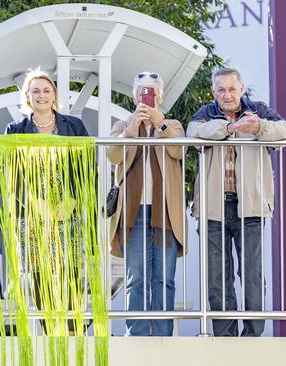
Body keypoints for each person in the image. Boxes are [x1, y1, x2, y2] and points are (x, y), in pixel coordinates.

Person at [187, 67, 286, 336]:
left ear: (241, 89)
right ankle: (225, 338)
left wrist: (259, 127)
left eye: (231, 89)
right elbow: (192, 131)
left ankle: (252, 337)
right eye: (221, 89)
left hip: (251, 207)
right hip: (213, 208)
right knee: (216, 279)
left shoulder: (258, 110)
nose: (227, 94)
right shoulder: (205, 113)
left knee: (252, 276)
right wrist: (230, 127)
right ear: (213, 92)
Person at [5, 69, 89, 335]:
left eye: (46, 90)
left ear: (54, 95)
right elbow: (11, 173)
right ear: (27, 97)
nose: (41, 95)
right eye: (36, 91)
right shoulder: (15, 129)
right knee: (41, 273)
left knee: (70, 271)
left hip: (69, 208)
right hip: (32, 212)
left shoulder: (73, 126)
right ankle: (51, 332)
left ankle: (74, 332)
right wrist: (32, 202)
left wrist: (73, 200)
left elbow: (86, 166)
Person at [106, 72, 186, 336]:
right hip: (134, 212)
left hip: (165, 212)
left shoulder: (172, 124)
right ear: (134, 96)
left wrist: (159, 124)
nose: (147, 96)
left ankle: (163, 334)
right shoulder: (123, 125)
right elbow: (113, 155)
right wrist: (132, 130)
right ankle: (137, 333)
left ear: (160, 96)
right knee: (136, 278)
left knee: (164, 278)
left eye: (152, 91)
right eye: (142, 91)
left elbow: (178, 150)